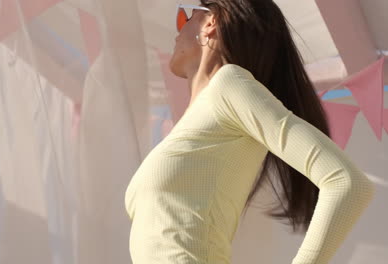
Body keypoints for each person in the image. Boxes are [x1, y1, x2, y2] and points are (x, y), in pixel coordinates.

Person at [124, 0, 376, 263]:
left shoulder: (228, 83)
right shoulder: (202, 115)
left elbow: (346, 182)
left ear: (211, 22)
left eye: (183, 17)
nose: (176, 32)